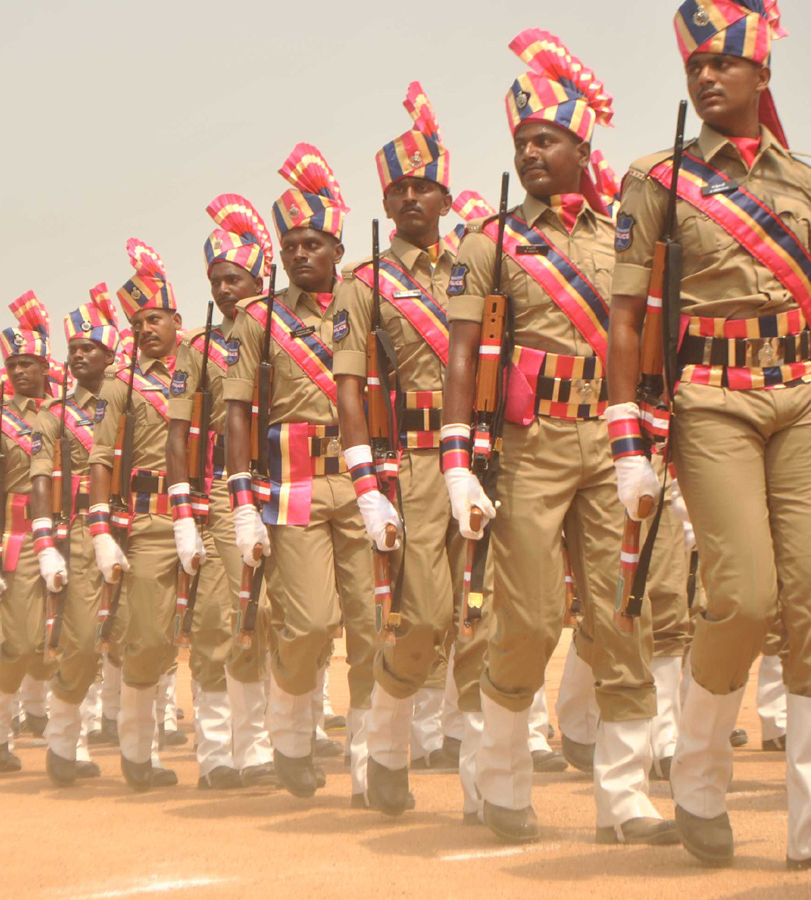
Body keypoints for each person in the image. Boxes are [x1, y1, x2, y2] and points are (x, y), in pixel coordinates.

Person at [608, 0, 811, 872]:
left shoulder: (805, 180)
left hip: (802, 395)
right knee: (742, 596)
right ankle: (697, 774)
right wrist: (627, 439)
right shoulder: (658, 179)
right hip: (710, 400)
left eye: (724, 65)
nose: (705, 77)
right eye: (696, 66)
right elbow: (625, 319)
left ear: (760, 76)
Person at [443, 29, 671, 846]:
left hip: (608, 444)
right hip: (530, 448)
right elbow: (462, 357)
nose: (532, 151)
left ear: (583, 146)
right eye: (522, 142)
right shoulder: (492, 241)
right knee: (532, 620)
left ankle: (626, 799)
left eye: (547, 139)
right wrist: (457, 460)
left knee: (620, 619)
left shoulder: (623, 236)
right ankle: (500, 776)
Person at [331, 82, 479, 815]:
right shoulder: (363, 284)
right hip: (414, 465)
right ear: (386, 205)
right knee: (422, 619)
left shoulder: (477, 263)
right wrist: (365, 487)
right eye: (401, 190)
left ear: (447, 199)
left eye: (426, 187)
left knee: (483, 614)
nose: (414, 199)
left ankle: (490, 776)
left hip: (484, 456)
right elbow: (349, 388)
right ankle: (386, 744)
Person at [223, 143, 376, 801]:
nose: (302, 253)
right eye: (292, 244)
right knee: (309, 623)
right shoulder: (259, 319)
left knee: (372, 626)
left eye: (315, 243)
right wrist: (238, 503)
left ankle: (375, 761)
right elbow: (235, 414)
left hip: (361, 478)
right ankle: (288, 733)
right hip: (292, 489)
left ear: (337, 250)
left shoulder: (361, 302)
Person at [166, 194, 278, 789]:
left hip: (287, 484)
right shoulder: (197, 348)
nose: (225, 291)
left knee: (274, 620)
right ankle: (217, 751)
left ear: (259, 277)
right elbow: (178, 434)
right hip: (223, 494)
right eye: (216, 281)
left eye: (234, 279)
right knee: (223, 618)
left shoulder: (282, 330)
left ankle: (264, 741)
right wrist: (185, 511)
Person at [87, 239, 184, 791]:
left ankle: (231, 755)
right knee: (147, 639)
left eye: (158, 318)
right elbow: (101, 458)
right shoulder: (118, 384)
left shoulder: (201, 366)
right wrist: (103, 531)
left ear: (178, 319)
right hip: (148, 521)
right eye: (140, 320)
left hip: (208, 513)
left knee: (233, 628)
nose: (148, 328)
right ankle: (136, 751)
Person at [31, 287, 119, 786]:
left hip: (134, 522)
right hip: (83, 528)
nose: (81, 355)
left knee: (139, 636)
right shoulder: (54, 416)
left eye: (91, 348)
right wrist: (46, 544)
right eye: (74, 350)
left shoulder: (129, 399)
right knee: (82, 640)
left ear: (111, 355)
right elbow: (41, 476)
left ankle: (139, 750)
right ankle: (64, 742)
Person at [0, 293, 55, 773]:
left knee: (69, 637)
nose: (21, 372)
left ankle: (68, 738)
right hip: (19, 532)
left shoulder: (62, 413)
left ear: (46, 367)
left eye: (30, 363)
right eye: (14, 364)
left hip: (66, 527)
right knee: (18, 641)